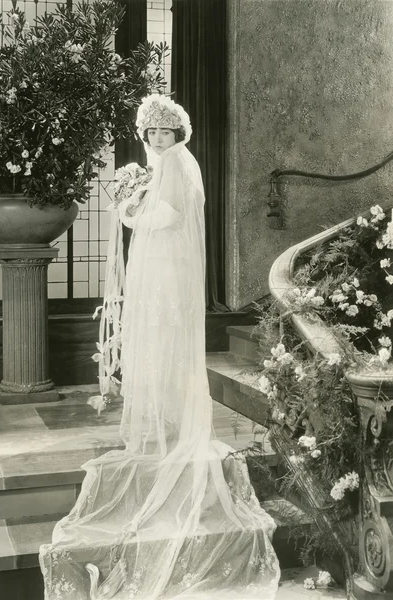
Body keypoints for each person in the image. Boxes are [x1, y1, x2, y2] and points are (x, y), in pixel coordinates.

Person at [39, 94, 280, 600]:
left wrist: (129, 209)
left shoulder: (175, 164)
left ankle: (169, 424)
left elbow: (166, 217)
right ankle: (164, 420)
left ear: (178, 135)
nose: (156, 141)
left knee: (165, 339)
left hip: (169, 270)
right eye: (151, 134)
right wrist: (137, 198)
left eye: (164, 133)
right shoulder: (169, 163)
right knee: (159, 342)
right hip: (164, 267)